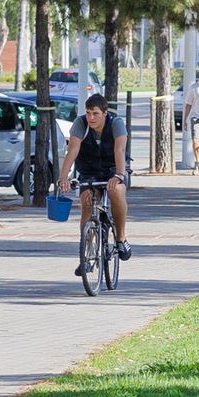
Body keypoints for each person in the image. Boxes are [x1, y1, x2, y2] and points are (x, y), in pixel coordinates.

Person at [57, 94, 131, 274]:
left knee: (116, 191)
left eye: (95, 113)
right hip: (89, 170)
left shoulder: (116, 124)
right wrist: (63, 177)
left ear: (105, 113)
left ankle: (121, 238)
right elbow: (72, 149)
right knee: (87, 201)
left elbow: (119, 149)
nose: (91, 118)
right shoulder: (80, 124)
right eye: (88, 113)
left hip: (113, 168)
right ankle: (86, 255)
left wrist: (119, 175)